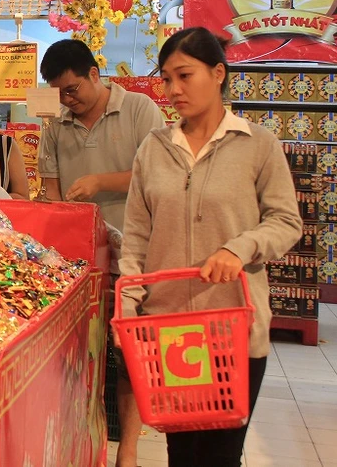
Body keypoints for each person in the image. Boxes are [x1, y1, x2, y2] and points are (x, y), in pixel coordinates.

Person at [119, 28, 301, 467]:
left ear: (218, 73)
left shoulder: (258, 145)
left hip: (233, 326)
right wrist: (128, 303)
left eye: (185, 75)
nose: (173, 90)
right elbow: (137, 236)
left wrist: (240, 248)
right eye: (166, 79)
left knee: (221, 454)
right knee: (182, 452)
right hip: (169, 330)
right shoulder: (154, 149)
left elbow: (286, 222)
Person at [38, 39, 164, 467]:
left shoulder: (140, 109)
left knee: (130, 354)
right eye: (59, 93)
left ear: (95, 74)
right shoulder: (56, 127)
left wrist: (99, 182)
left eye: (72, 89)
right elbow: (52, 191)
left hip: (137, 257)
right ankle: (80, 439)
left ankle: (127, 448)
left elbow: (156, 175)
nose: (66, 100)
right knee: (78, 353)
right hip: (80, 265)